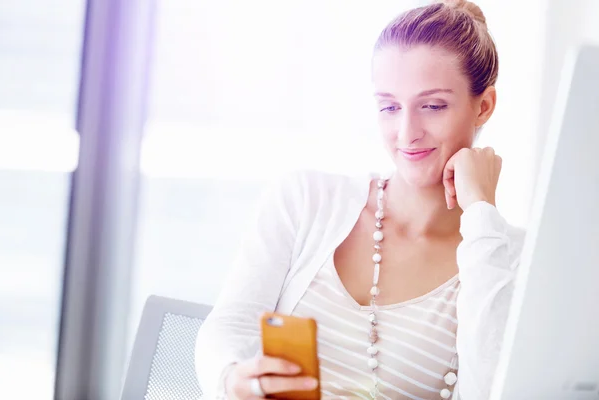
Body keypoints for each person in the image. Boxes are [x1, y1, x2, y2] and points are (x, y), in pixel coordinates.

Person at [195, 0, 526, 399]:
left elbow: (493, 390)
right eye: (389, 107)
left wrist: (480, 213)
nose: (406, 133)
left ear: (484, 106)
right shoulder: (305, 200)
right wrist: (232, 378)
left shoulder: (510, 261)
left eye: (433, 106)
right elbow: (228, 324)